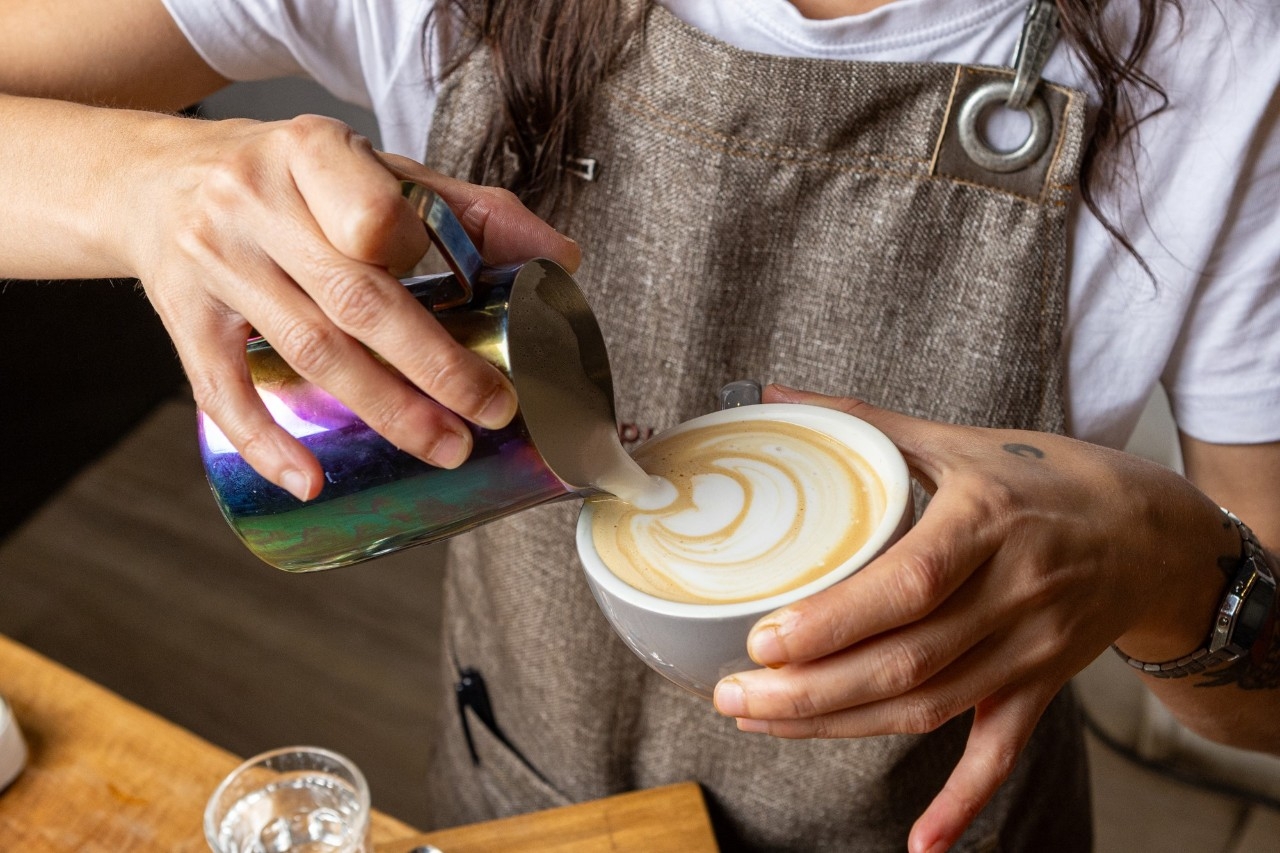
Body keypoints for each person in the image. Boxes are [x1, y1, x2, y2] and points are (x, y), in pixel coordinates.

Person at [3, 0, 1278, 850]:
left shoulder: (1224, 63)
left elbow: (1261, 705)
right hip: (531, 794)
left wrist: (1165, 558)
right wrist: (142, 181)